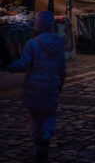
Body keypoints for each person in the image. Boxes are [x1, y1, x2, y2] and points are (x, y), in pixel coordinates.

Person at [7, 11, 66, 162]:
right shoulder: (59, 44)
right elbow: (62, 69)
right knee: (49, 115)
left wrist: (9, 66)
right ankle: (46, 136)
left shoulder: (32, 44)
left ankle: (36, 146)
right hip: (51, 85)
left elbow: (23, 64)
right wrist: (60, 83)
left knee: (34, 117)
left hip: (33, 87)